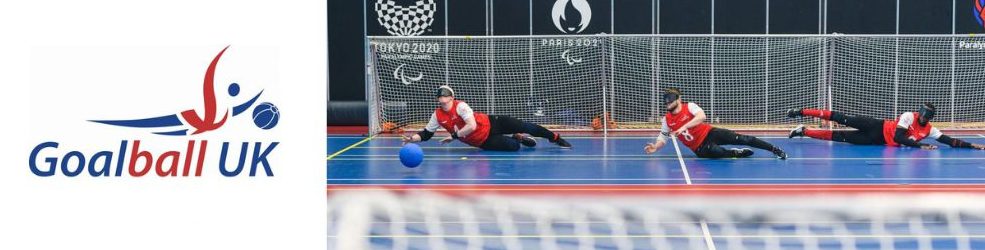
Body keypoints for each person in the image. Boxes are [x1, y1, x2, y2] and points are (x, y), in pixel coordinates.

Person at [401, 85, 572, 151]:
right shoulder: (437, 115)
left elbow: (471, 126)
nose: (442, 98)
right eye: (439, 96)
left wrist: (453, 136)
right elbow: (426, 134)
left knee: (525, 125)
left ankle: (555, 138)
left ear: (452, 98)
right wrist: (412, 139)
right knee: (513, 148)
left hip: (491, 123)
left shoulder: (461, 106)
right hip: (481, 142)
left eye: (445, 95)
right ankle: (517, 139)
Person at [644, 88, 788, 159]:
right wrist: (656, 146)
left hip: (710, 133)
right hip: (699, 148)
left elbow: (702, 116)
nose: (667, 102)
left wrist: (684, 126)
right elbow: (663, 137)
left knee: (744, 139)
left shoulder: (690, 107)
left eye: (670, 99)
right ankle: (736, 153)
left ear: (678, 99)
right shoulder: (666, 119)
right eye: (666, 100)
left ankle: (774, 149)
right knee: (719, 153)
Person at [786, 103, 985, 150]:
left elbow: (949, 141)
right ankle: (801, 111)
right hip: (876, 126)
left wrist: (970, 145)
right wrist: (920, 146)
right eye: (921, 113)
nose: (922, 116)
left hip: (876, 140)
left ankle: (804, 131)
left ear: (930, 117)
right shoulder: (909, 116)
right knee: (842, 117)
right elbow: (899, 137)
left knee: (838, 137)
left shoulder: (929, 130)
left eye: (926, 115)